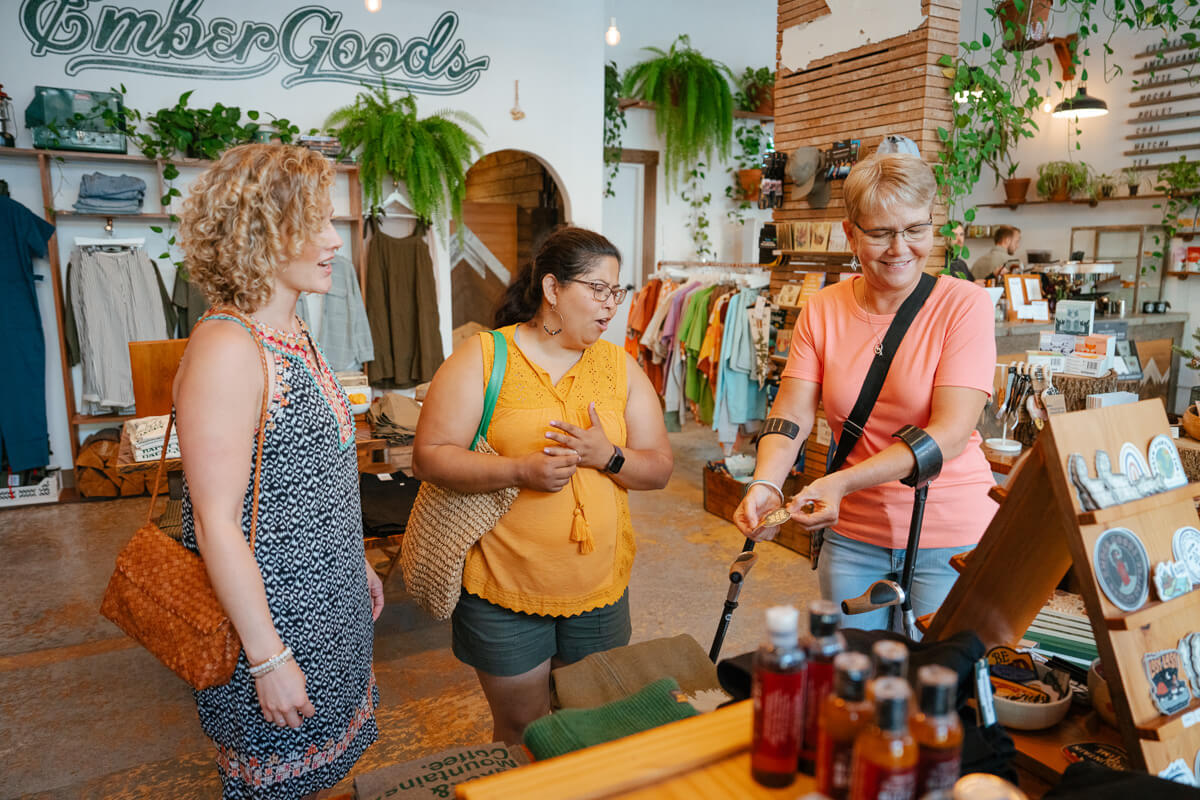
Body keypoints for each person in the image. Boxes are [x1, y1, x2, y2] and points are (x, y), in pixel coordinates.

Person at [174, 144, 384, 798]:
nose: (333, 242)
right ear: (260, 233)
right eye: (316, 224)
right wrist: (268, 660)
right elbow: (215, 523)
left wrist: (357, 562)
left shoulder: (288, 328)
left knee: (328, 774)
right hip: (273, 621)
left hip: (329, 605)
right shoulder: (228, 349)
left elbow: (309, 478)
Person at [413, 226, 674, 744]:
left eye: (616, 291)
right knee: (522, 728)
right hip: (504, 589)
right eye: (597, 289)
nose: (610, 305)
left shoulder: (620, 367)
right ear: (553, 289)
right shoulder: (484, 357)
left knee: (593, 722)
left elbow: (661, 467)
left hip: (599, 589)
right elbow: (429, 457)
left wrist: (609, 456)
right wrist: (518, 471)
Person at [733, 153, 998, 632]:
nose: (900, 248)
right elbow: (791, 410)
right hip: (853, 536)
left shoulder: (964, 305)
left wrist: (839, 483)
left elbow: (951, 433)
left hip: (949, 532)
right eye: (880, 233)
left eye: (915, 229)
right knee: (855, 678)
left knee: (935, 686)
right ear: (850, 233)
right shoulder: (822, 309)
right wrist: (766, 482)